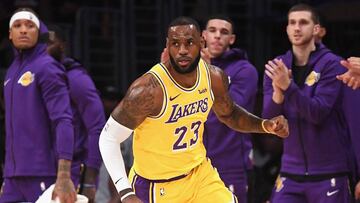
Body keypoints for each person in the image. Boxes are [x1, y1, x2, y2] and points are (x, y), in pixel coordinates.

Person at [99, 16, 289, 203]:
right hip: (157, 185)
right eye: (175, 43)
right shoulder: (148, 90)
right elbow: (108, 138)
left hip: (199, 175)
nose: (182, 50)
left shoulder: (214, 77)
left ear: (201, 42)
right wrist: (125, 192)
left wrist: (265, 125)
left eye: (189, 43)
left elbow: (229, 113)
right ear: (167, 45)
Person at [263, 4, 351, 203]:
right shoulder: (278, 66)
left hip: (329, 171)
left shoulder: (333, 65)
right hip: (290, 170)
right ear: (286, 29)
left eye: (303, 23)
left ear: (316, 29)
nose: (296, 28)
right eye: (292, 23)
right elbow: (268, 121)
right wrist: (278, 93)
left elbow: (317, 113)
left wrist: (288, 87)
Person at [0, 8, 76, 202]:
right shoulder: (11, 72)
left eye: (29, 25)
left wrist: (64, 175)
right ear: (10, 34)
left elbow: (64, 121)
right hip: (12, 177)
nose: (23, 30)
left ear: (39, 31)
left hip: (43, 173)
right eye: (17, 26)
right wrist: (8, 174)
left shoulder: (47, 67)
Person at [201, 15, 258, 202]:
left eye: (223, 32)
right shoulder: (189, 71)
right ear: (203, 36)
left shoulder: (244, 70)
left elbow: (229, 112)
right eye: (212, 31)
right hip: (193, 165)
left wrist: (210, 73)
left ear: (231, 39)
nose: (217, 36)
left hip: (230, 164)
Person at [46, 25, 106, 203]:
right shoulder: (33, 77)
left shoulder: (75, 78)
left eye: (50, 42)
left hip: (73, 172)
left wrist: (89, 180)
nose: (44, 48)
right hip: (41, 170)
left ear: (62, 46)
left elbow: (97, 128)